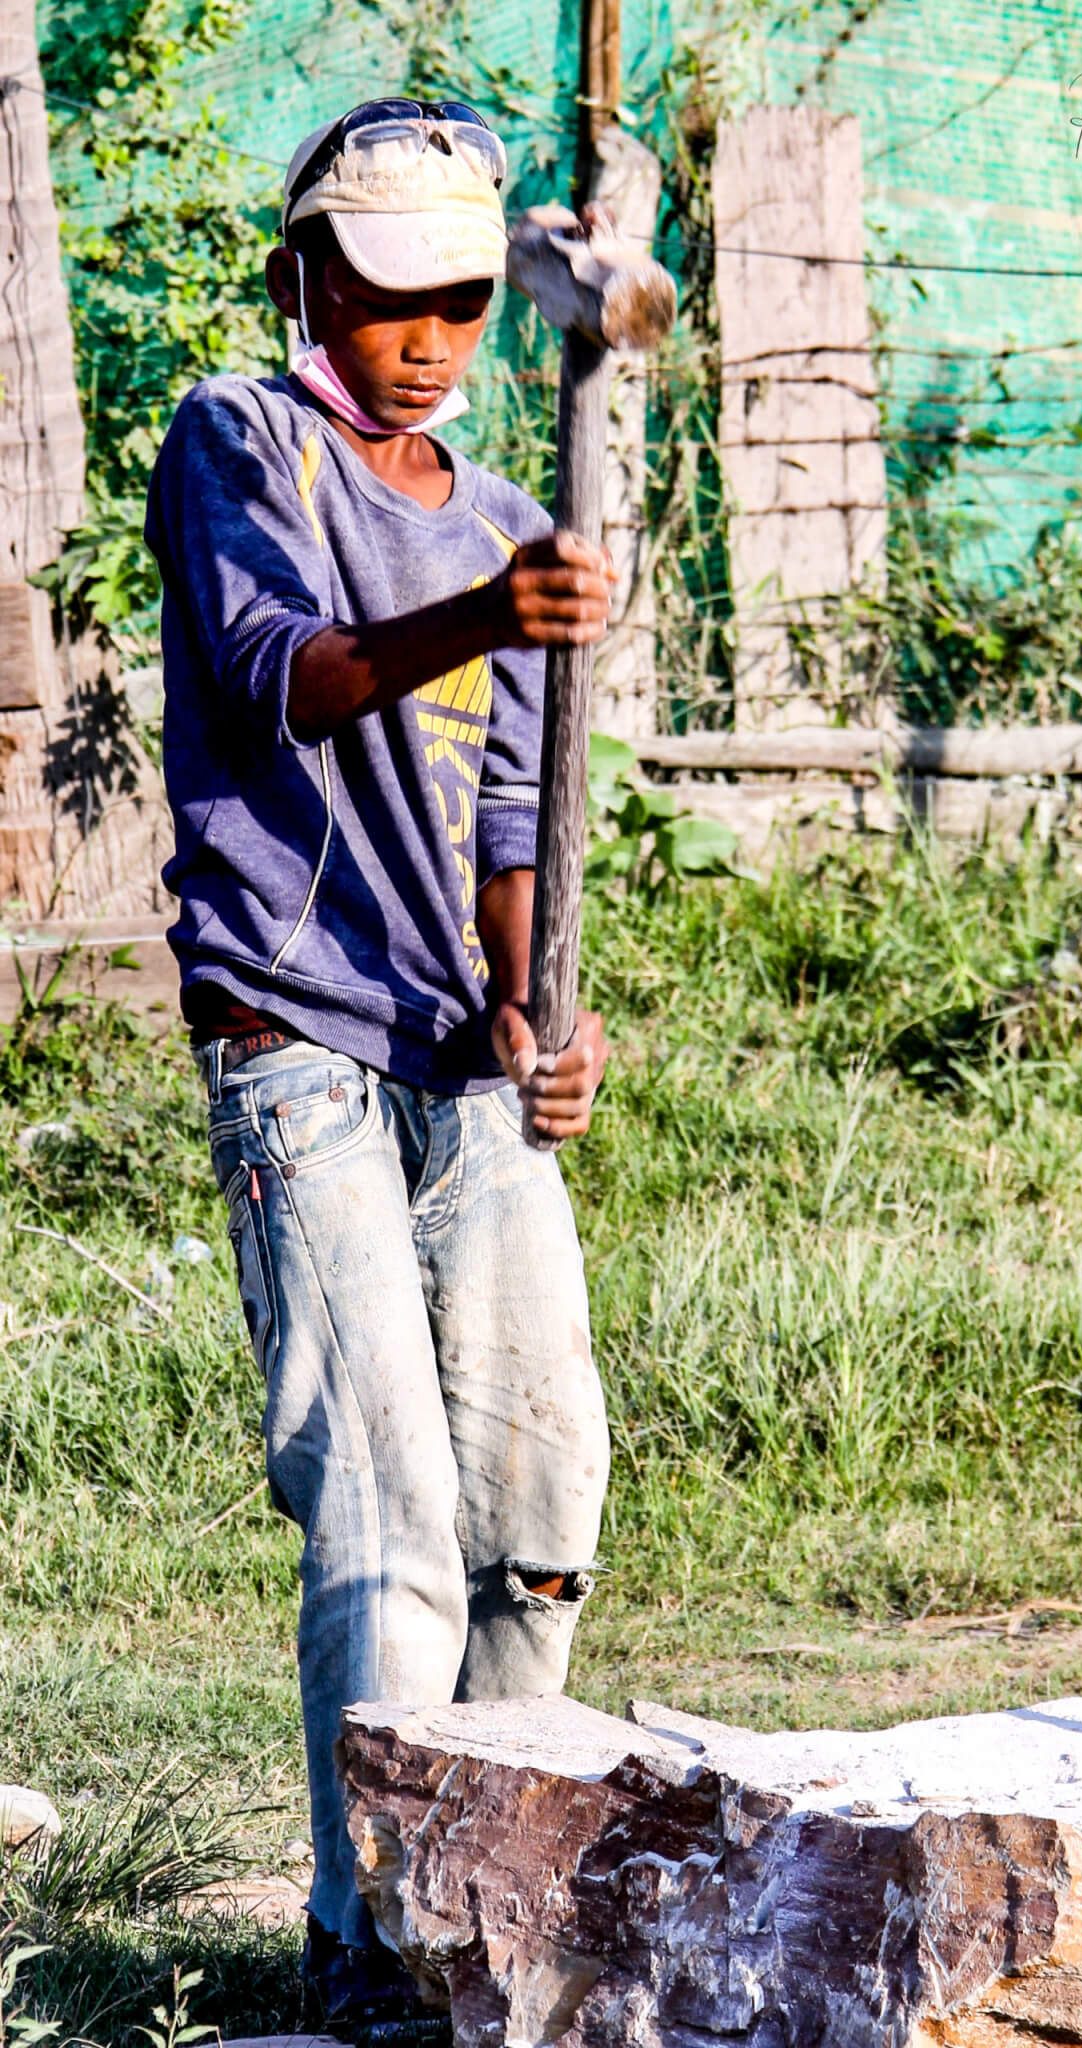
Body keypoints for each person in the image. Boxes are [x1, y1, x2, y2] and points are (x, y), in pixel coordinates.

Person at [145, 98, 615, 2038]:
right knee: (387, 1505)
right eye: (389, 295)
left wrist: (544, 1015)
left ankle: (500, 1917)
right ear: (308, 277)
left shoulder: (514, 521)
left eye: (462, 304)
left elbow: (513, 823)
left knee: (538, 1494)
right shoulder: (237, 444)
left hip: (454, 1057)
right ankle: (371, 1952)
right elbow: (291, 675)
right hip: (294, 1038)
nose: (426, 337)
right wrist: (482, 616)